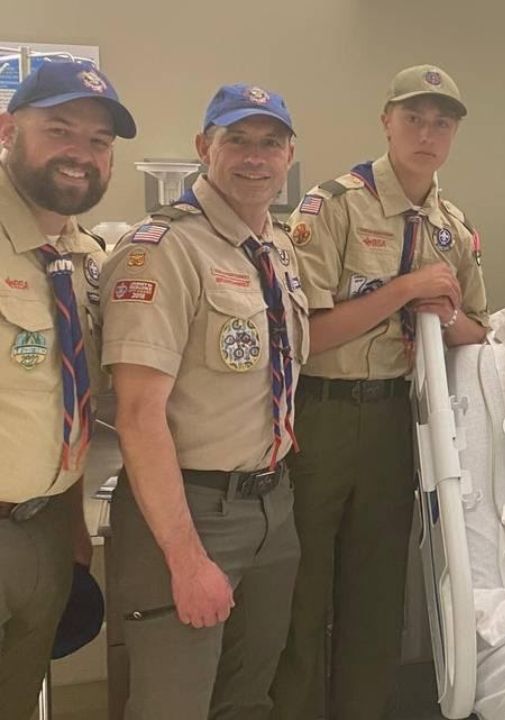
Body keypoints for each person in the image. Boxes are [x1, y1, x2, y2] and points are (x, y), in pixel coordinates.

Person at [270, 64, 487, 720]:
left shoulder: (452, 225)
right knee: (303, 595)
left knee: (377, 595)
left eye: (441, 122)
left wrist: (443, 316)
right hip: (323, 414)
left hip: (398, 418)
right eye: (414, 118)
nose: (427, 133)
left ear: (453, 135)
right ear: (387, 121)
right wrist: (404, 290)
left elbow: (479, 327)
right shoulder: (334, 206)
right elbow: (306, 334)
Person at [101, 84, 307, 719]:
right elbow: (138, 416)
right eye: (236, 140)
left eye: (269, 143)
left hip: (273, 505)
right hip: (191, 509)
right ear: (203, 148)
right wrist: (186, 559)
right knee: (173, 705)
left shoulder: (276, 246)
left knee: (246, 700)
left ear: (289, 153)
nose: (254, 156)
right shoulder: (162, 250)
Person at [0, 59, 134, 718]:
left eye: (99, 141)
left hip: (48, 533)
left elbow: (66, 396)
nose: (81, 154)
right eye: (61, 129)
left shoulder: (85, 262)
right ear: (7, 129)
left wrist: (72, 517)